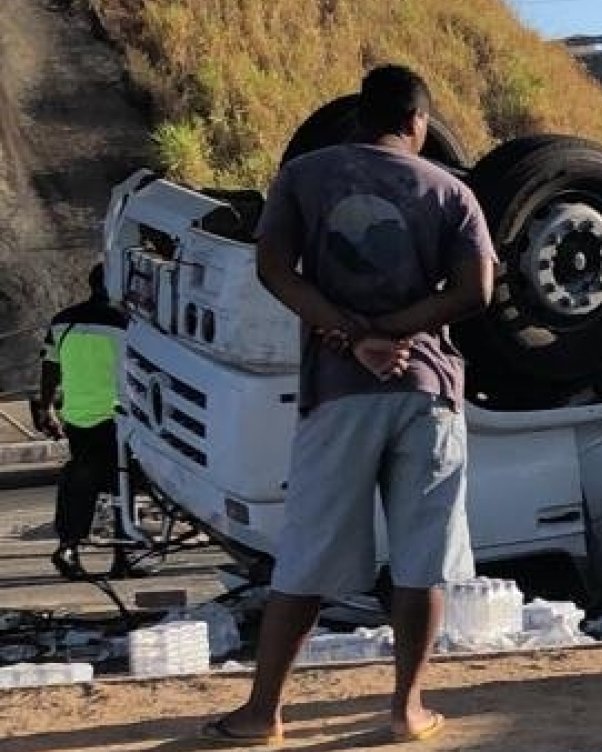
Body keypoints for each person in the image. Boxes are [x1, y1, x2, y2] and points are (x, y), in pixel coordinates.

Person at [203, 64, 495, 745]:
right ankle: (407, 709)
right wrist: (400, 331)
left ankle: (263, 713)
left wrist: (355, 336)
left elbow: (274, 268)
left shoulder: (305, 176)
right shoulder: (452, 190)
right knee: (423, 560)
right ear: (418, 123)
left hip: (339, 392)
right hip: (428, 395)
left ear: (361, 117)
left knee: (305, 558)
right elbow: (476, 289)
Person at [37, 264, 131, 581]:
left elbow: (50, 369)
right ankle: (122, 555)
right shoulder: (127, 322)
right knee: (123, 483)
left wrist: (46, 407)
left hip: (77, 417)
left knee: (84, 478)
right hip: (117, 416)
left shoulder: (63, 320)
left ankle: (70, 545)